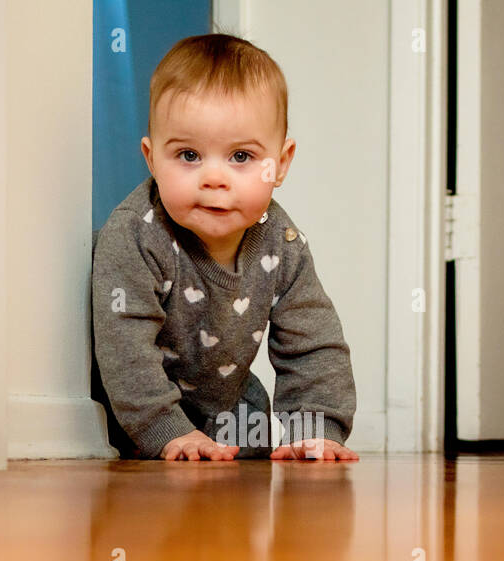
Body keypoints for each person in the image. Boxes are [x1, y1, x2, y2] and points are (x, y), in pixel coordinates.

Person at [91, 33, 358, 462]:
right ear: (152, 158)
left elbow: (312, 344)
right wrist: (166, 431)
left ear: (281, 163)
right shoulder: (137, 234)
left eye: (240, 157)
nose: (214, 178)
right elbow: (125, 349)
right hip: (139, 419)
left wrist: (315, 431)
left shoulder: (283, 243)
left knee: (247, 480)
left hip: (231, 414)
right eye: (189, 155)